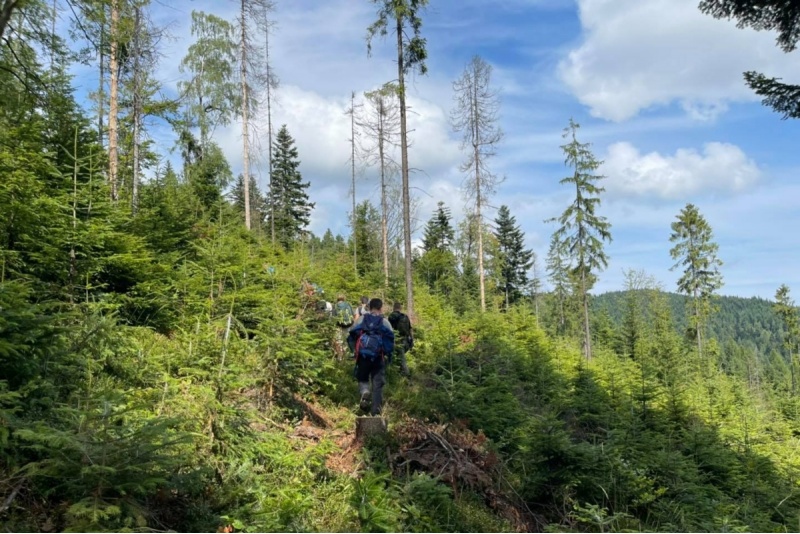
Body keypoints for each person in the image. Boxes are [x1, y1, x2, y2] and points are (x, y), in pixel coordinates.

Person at [348, 298, 395, 416]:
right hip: (379, 357)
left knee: (362, 378)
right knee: (378, 384)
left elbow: (351, 335)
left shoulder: (362, 319)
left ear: (369, 307)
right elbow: (391, 340)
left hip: (363, 355)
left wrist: (354, 350)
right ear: (381, 308)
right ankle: (376, 413)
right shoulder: (385, 322)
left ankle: (365, 391)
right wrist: (387, 355)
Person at [387, 302, 412, 376]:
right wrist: (411, 340)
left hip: (396, 340)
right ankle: (399, 373)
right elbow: (410, 329)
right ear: (400, 308)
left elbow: (389, 329)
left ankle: (407, 375)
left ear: (393, 308)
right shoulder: (405, 316)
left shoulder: (391, 316)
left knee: (401, 359)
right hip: (406, 340)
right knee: (400, 357)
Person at [333, 294, 355, 358]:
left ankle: (340, 355)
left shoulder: (335, 306)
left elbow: (334, 317)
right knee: (347, 338)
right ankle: (346, 353)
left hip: (339, 325)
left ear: (337, 299)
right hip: (348, 325)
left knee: (339, 340)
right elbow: (352, 314)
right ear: (344, 298)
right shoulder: (348, 305)